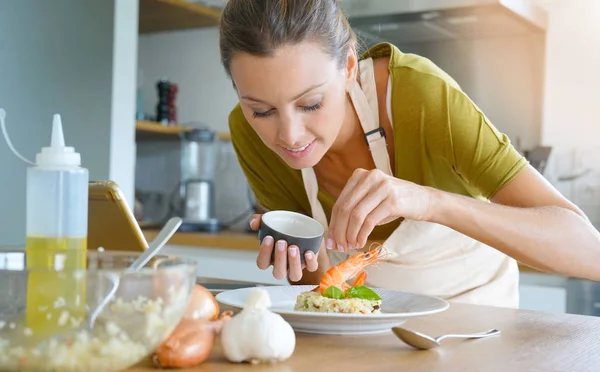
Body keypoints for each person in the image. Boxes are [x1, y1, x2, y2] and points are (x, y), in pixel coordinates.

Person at [218, 0, 600, 307]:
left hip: (481, 338)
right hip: (364, 345)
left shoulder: (420, 94)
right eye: (262, 111)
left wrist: (428, 201)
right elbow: (324, 293)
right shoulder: (249, 136)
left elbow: (588, 252)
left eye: (312, 103)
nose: (290, 135)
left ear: (349, 67)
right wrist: (297, 260)